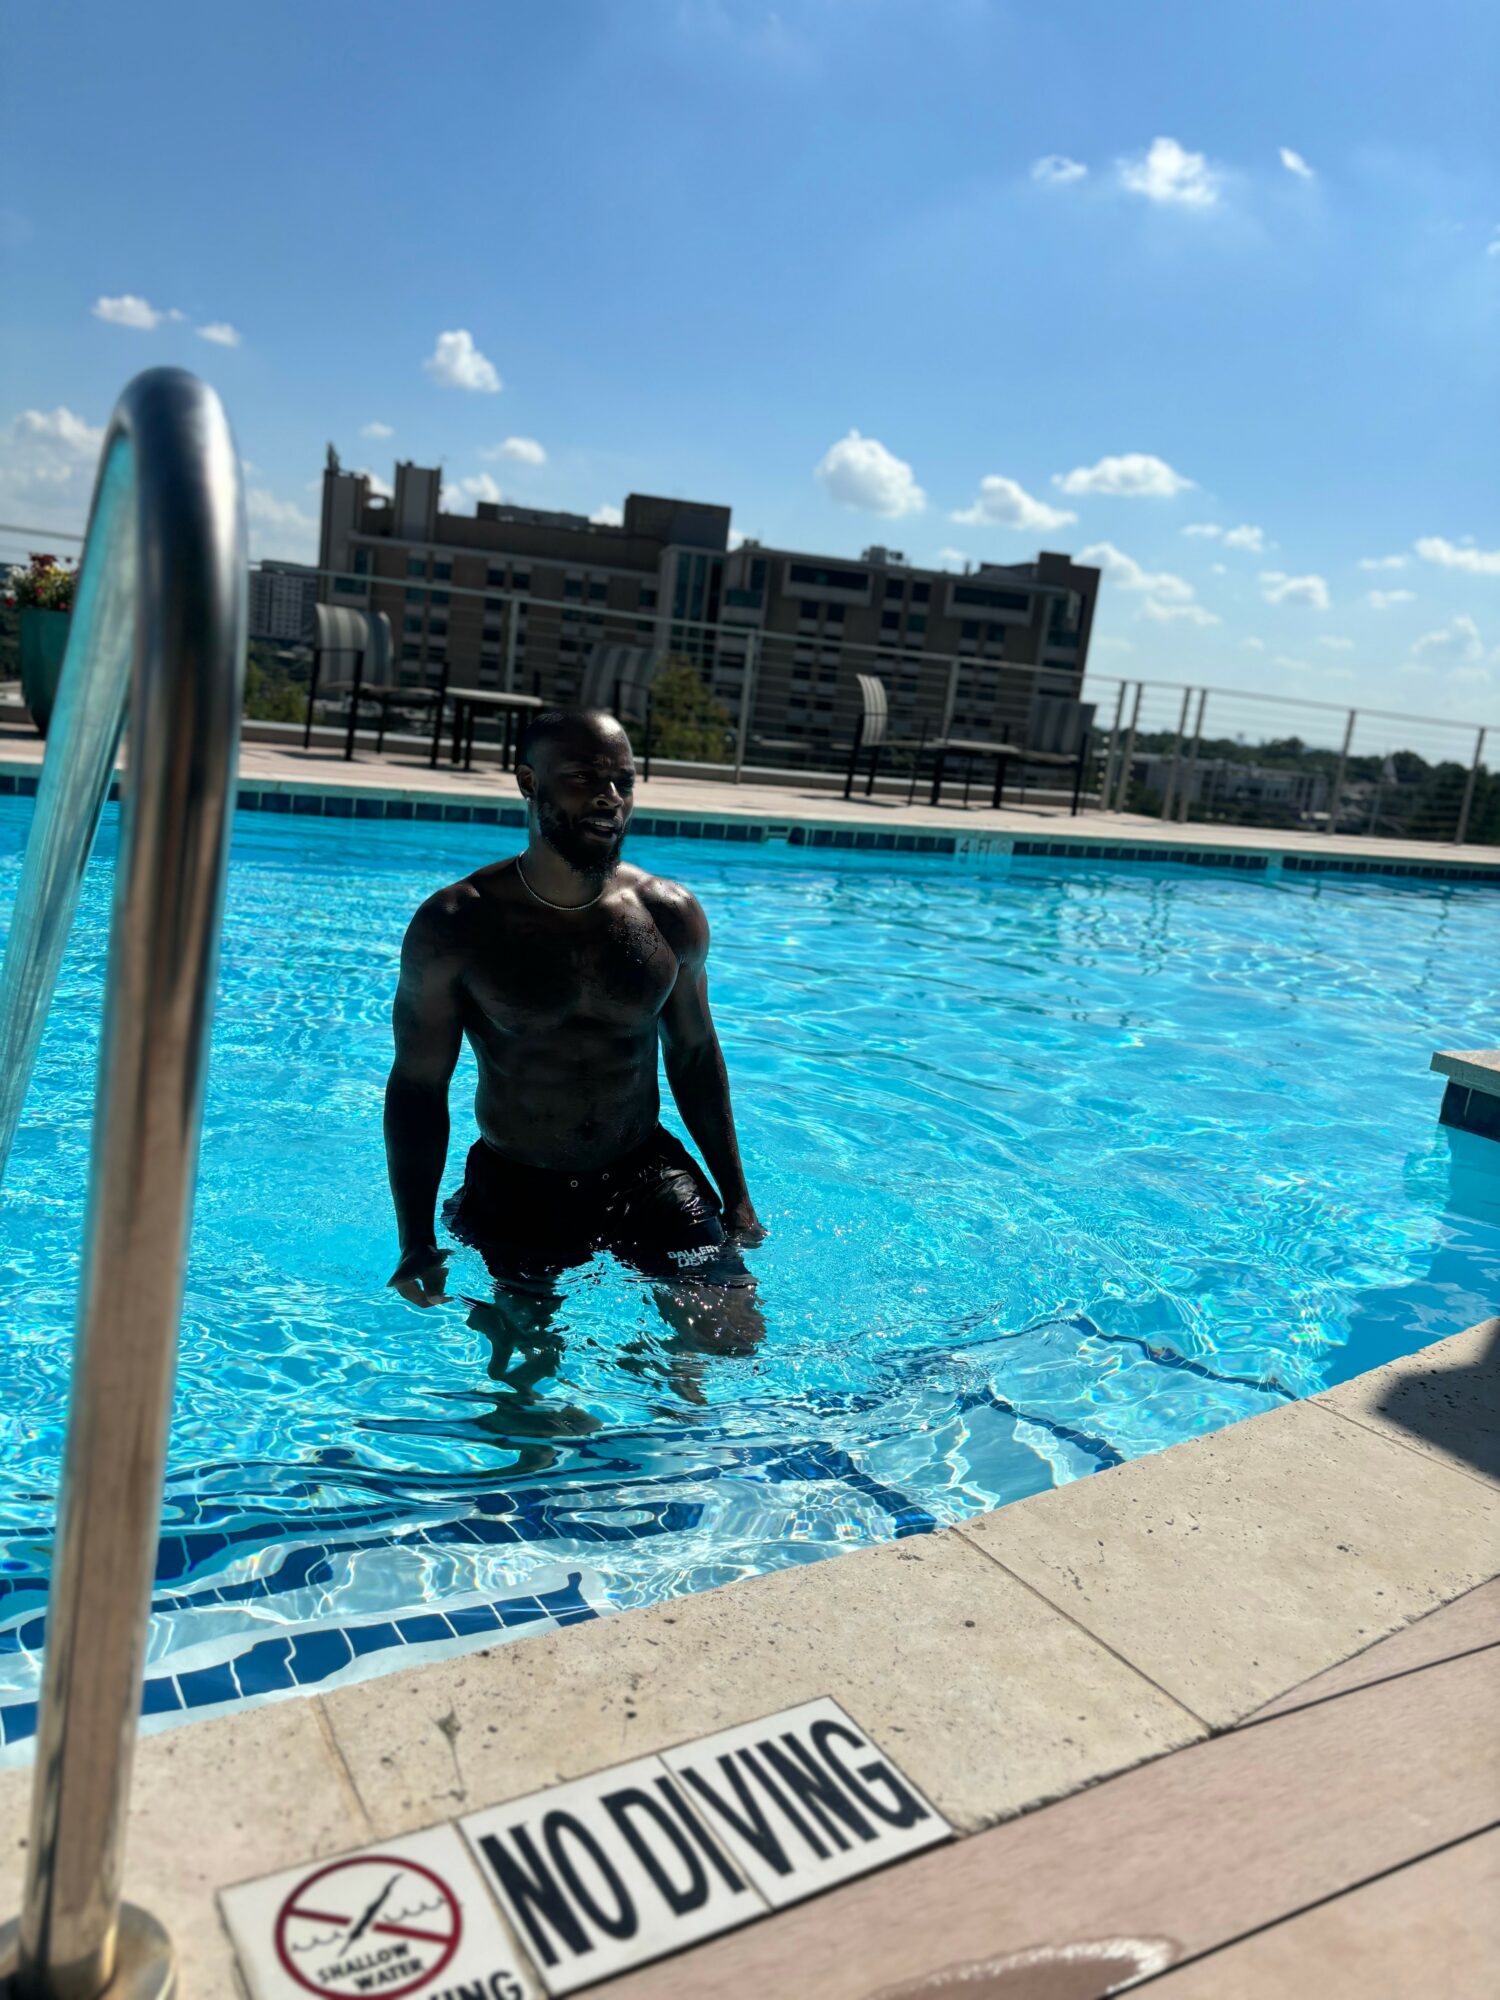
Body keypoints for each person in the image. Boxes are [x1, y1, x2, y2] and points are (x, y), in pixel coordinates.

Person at [383, 706, 766, 1368]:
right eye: (584, 777)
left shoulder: (668, 916)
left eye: (623, 780)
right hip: (519, 1180)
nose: (609, 799)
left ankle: (678, 1438)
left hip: (645, 1172)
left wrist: (735, 1193)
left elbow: (696, 1052)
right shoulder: (457, 926)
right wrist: (414, 1239)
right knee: (528, 1366)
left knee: (730, 1336)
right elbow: (419, 1084)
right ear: (529, 783)